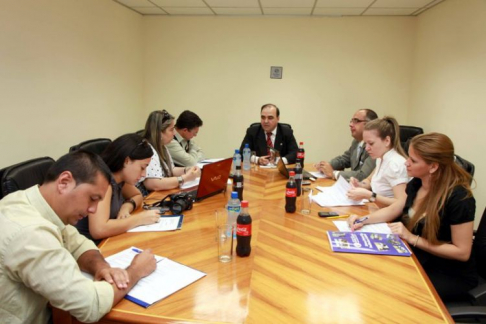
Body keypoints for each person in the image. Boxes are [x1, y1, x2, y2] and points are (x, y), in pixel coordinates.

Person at [0, 150, 156, 323]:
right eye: (92, 198)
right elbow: (90, 305)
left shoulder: (31, 201)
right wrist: (135, 271)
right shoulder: (30, 232)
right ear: (64, 182)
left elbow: (78, 243)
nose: (93, 209)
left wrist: (101, 267)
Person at [348, 133, 477, 302]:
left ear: (433, 167)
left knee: (392, 292)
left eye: (413, 160)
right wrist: (363, 220)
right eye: (408, 157)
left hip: (448, 272)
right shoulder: (417, 183)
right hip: (419, 257)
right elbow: (396, 207)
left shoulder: (460, 199)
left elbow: (462, 252)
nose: (406, 163)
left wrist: (412, 238)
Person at [76, 134, 162, 245]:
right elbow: (99, 230)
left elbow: (137, 195)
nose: (143, 174)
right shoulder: (103, 182)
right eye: (142, 167)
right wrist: (139, 219)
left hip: (109, 240)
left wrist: (126, 207)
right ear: (127, 161)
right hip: (94, 247)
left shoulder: (120, 178)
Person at [347, 116, 409, 207]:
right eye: (365, 143)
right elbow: (369, 180)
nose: (367, 148)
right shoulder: (381, 157)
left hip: (390, 218)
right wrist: (359, 184)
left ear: (387, 141)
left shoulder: (395, 164)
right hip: (378, 209)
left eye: (371, 143)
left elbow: (401, 203)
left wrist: (369, 195)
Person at [139, 110, 200, 194]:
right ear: (159, 133)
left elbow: (171, 169)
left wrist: (187, 170)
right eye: (171, 130)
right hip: (150, 197)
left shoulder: (162, 146)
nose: (174, 133)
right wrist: (184, 178)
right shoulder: (148, 149)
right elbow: (153, 184)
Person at [315, 109, 378, 181]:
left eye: (356, 121)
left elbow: (363, 175)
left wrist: (334, 173)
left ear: (368, 124)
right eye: (351, 121)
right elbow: (344, 160)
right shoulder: (356, 142)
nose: (350, 125)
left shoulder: (375, 147)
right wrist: (325, 166)